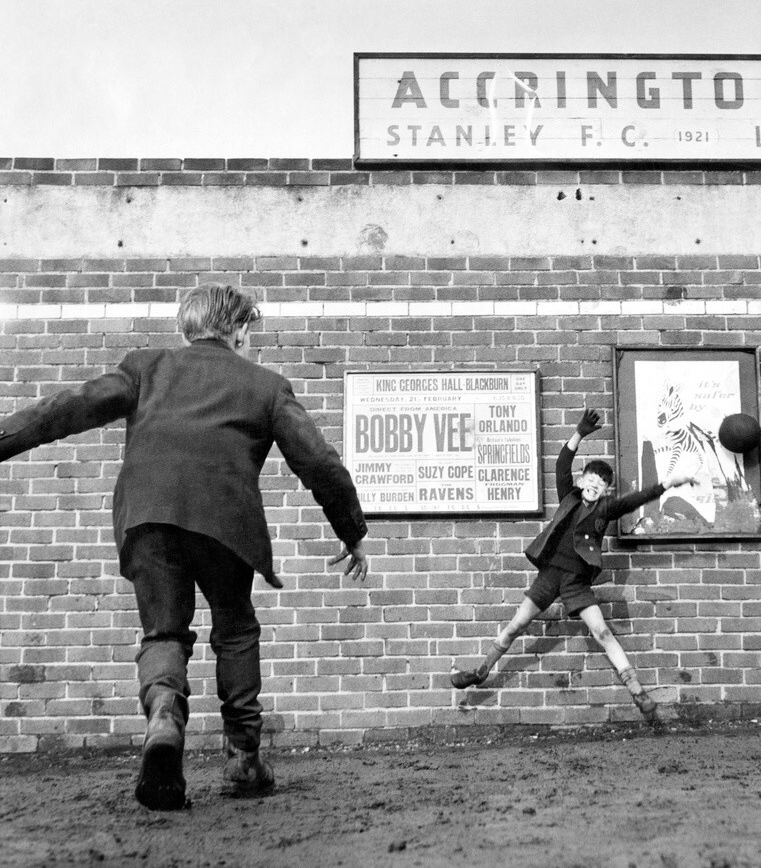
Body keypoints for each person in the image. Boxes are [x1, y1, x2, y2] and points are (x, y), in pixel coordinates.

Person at [0, 284, 370, 809]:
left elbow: (66, 409)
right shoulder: (267, 386)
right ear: (240, 331)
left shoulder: (145, 368)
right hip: (225, 520)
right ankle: (243, 761)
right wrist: (351, 530)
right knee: (235, 628)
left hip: (148, 514)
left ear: (186, 329)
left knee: (164, 630)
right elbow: (318, 462)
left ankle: (164, 717)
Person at [450, 408, 697, 721]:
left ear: (606, 490)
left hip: (576, 582)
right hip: (550, 574)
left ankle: (638, 693)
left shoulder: (606, 510)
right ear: (582, 481)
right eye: (591, 479)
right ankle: (481, 671)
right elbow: (561, 464)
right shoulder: (568, 496)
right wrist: (578, 433)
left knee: (603, 633)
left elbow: (636, 499)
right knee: (516, 625)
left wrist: (669, 484)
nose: (595, 484)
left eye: (602, 483)